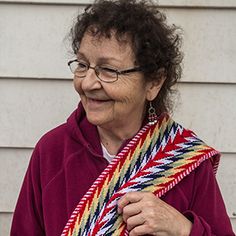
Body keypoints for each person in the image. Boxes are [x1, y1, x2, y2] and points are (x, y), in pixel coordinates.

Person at [11, 0, 235, 235]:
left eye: (109, 70)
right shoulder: (52, 152)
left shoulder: (185, 161)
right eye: (82, 65)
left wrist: (183, 228)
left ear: (154, 82)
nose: (87, 83)